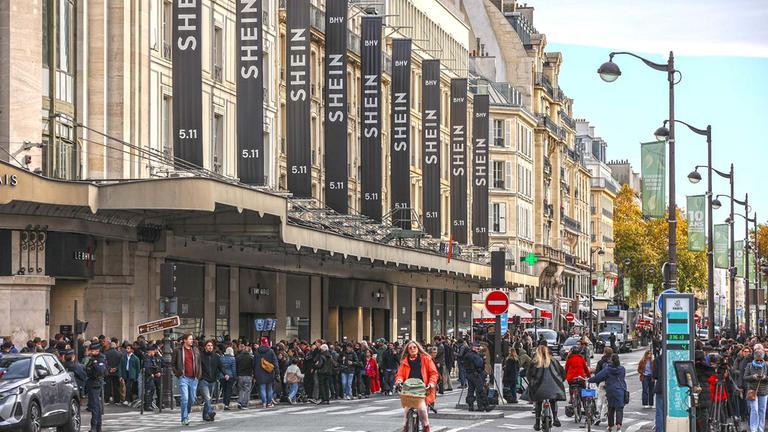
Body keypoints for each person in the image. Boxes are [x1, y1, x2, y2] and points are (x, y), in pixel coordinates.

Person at [395, 340, 440, 432]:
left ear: (418, 348)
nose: (412, 349)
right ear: (407, 350)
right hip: (409, 389)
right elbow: (400, 374)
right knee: (406, 410)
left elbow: (434, 373)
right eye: (410, 348)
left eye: (414, 347)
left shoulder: (426, 359)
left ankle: (426, 426)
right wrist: (399, 381)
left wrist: (431, 384)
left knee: (422, 409)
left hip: (423, 388)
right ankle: (406, 427)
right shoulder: (404, 362)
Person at [527, 342, 566, 431]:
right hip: (553, 387)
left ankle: (537, 423)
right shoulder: (554, 361)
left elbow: (529, 374)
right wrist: (561, 380)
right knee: (553, 400)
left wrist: (531, 382)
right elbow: (562, 373)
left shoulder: (535, 362)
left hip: (538, 388)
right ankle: (555, 417)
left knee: (538, 402)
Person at [590, 354, 627, 432]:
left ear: (611, 360)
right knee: (619, 408)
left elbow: (598, 377)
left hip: (610, 390)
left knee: (611, 408)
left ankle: (610, 426)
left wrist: (589, 379)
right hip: (620, 390)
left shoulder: (607, 369)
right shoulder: (622, 369)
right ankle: (619, 427)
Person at [172, 333, 201, 426]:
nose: (191, 341)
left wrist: (198, 375)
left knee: (192, 399)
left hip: (194, 378)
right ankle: (184, 418)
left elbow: (199, 363)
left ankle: (186, 412)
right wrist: (178, 374)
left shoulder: (195, 350)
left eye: (192, 339)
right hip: (183, 377)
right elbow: (173, 364)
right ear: (184, 340)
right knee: (184, 398)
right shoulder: (178, 350)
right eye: (190, 339)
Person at [84, 342, 107, 432]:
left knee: (95, 406)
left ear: (97, 350)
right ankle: (97, 427)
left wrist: (94, 363)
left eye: (92, 350)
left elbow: (100, 370)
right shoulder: (93, 358)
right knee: (96, 405)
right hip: (91, 382)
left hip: (96, 383)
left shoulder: (100, 358)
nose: (90, 352)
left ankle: (95, 427)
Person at [744, 348, 768, 432]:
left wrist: (765, 377)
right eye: (757, 360)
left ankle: (760, 429)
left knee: (762, 410)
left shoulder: (766, 365)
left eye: (760, 360)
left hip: (764, 391)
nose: (759, 361)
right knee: (754, 410)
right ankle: (753, 429)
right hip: (752, 391)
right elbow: (745, 377)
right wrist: (752, 376)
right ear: (754, 357)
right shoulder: (749, 365)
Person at [200, 339, 225, 421]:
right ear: (205, 347)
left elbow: (220, 367)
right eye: (208, 345)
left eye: (211, 346)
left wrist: (226, 374)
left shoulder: (216, 356)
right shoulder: (201, 356)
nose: (210, 347)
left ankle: (205, 416)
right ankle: (210, 412)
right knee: (207, 397)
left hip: (213, 380)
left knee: (208, 399)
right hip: (204, 380)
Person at [253, 337, 280, 408]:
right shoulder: (271, 351)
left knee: (262, 388)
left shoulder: (256, 352)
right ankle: (269, 403)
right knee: (269, 388)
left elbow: (254, 363)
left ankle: (264, 403)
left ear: (261, 343)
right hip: (269, 372)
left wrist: (254, 373)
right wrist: (277, 372)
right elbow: (275, 363)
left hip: (259, 373)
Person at [464, 342, 490, 412]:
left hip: (469, 374)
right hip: (475, 374)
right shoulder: (475, 356)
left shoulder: (468, 355)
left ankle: (470, 406)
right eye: (477, 348)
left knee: (470, 390)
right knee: (480, 390)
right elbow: (479, 364)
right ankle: (486, 406)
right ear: (473, 348)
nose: (478, 349)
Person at [142, 345, 163, 411]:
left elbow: (154, 366)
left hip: (151, 376)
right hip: (149, 377)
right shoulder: (147, 358)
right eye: (153, 352)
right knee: (149, 390)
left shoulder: (150, 358)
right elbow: (147, 367)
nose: (154, 353)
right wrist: (151, 374)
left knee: (151, 390)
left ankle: (149, 404)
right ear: (150, 351)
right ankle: (147, 405)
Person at [236, 343, 254, 409]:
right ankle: (244, 404)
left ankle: (240, 402)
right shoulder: (251, 358)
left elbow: (236, 366)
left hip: (240, 375)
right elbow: (253, 366)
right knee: (247, 390)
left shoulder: (238, 357)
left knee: (241, 389)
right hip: (248, 375)